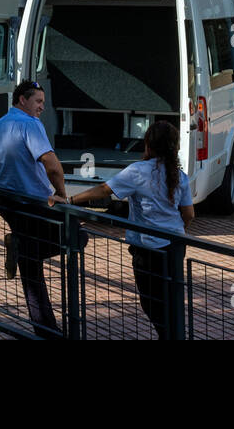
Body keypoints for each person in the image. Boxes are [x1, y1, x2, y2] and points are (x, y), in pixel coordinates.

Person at [69, 120, 193, 340]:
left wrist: (71, 199)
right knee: (171, 299)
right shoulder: (179, 175)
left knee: (152, 303)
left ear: (148, 145)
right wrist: (177, 228)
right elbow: (189, 214)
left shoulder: (137, 171)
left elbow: (104, 189)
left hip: (147, 249)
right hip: (175, 246)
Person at [0, 80, 70, 338]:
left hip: (7, 203)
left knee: (32, 267)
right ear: (22, 100)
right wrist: (62, 196)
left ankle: (45, 328)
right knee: (77, 236)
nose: (42, 108)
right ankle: (46, 329)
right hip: (32, 205)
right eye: (38, 102)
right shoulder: (30, 125)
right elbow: (53, 166)